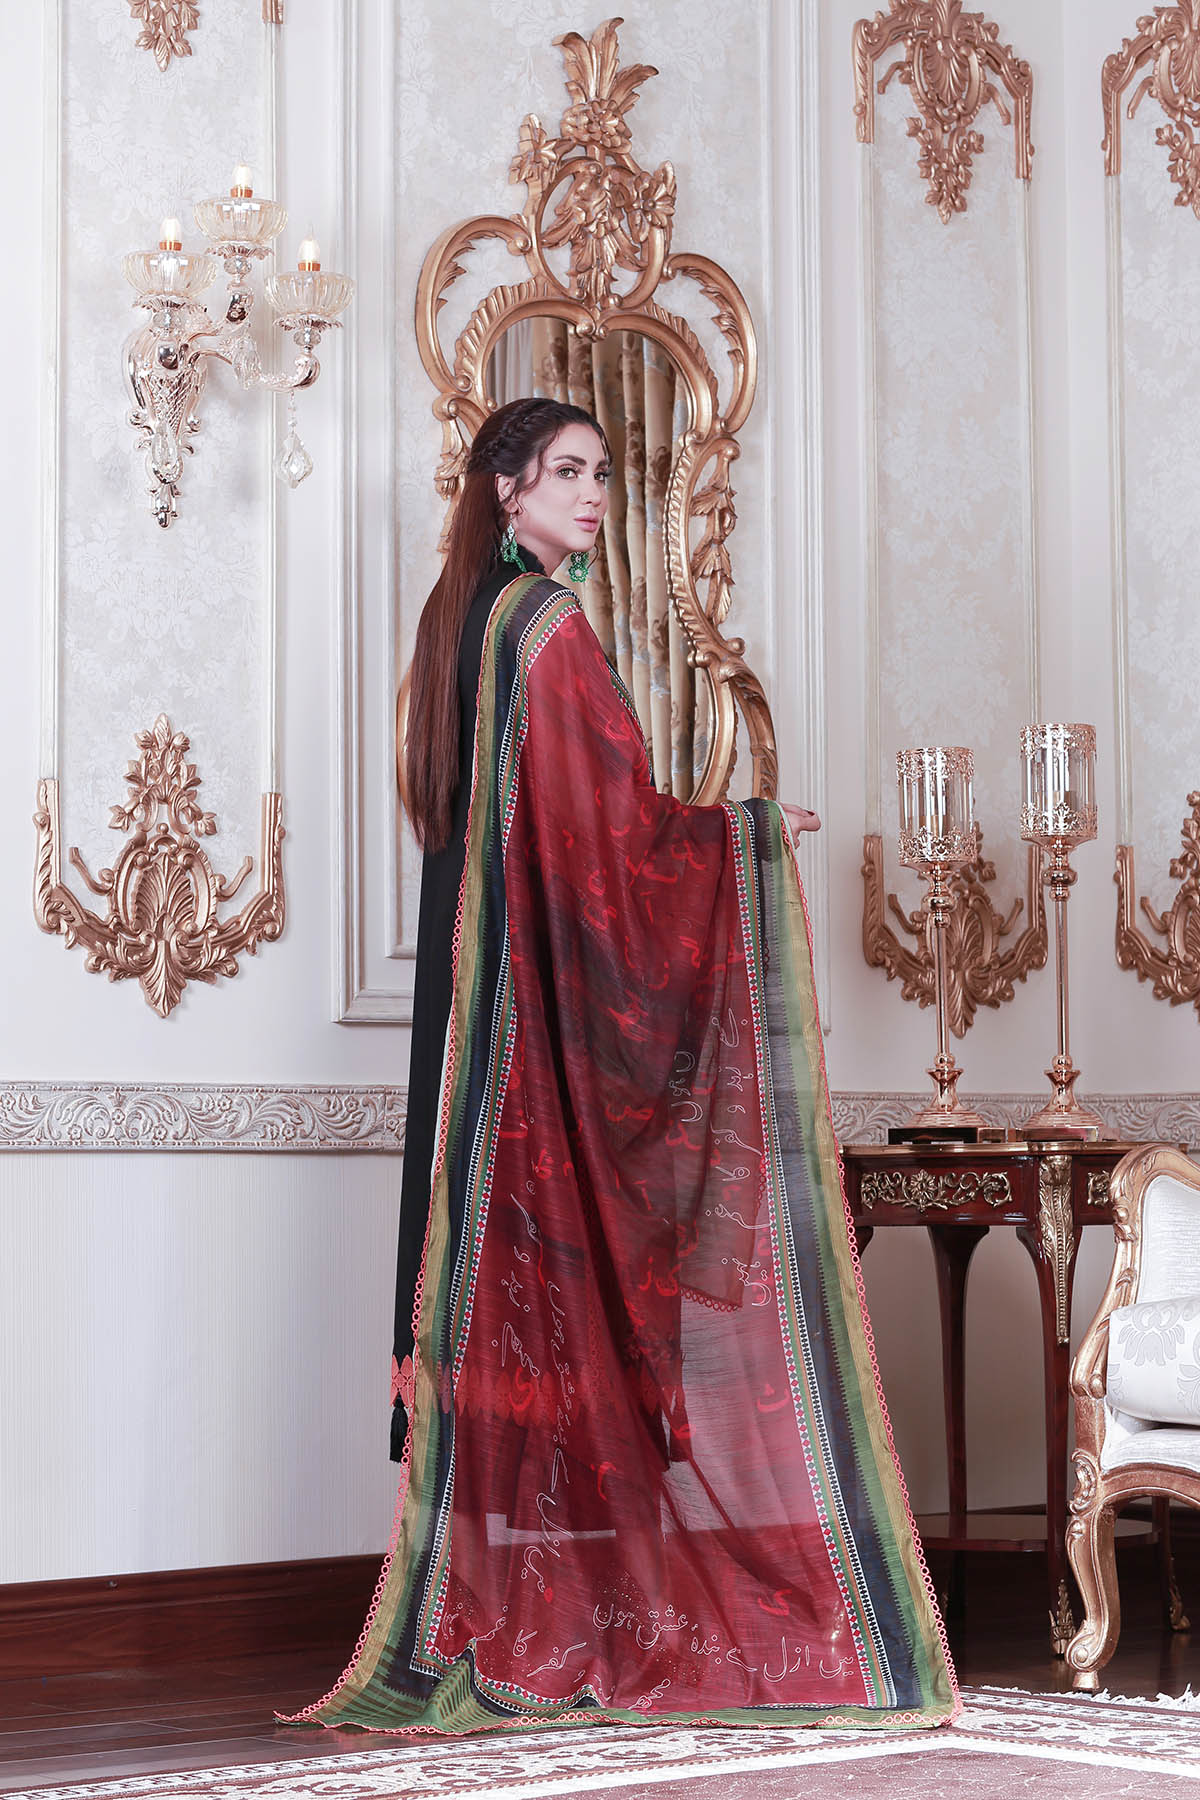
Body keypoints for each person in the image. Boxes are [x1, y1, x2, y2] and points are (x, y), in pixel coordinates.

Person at [286, 397, 957, 1735]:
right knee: (581, 1285)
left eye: (603, 473)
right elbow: (614, 840)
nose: (595, 495)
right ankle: (593, 1621)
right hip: (530, 1017)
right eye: (569, 473)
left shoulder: (464, 622)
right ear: (507, 487)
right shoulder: (543, 624)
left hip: (473, 1010)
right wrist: (743, 838)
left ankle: (518, 1614)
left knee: (508, 1295)